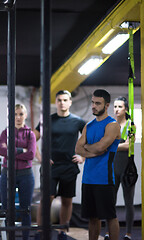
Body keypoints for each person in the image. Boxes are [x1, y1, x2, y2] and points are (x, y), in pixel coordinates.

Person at [34, 90, 86, 240]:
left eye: (65, 100)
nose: (62, 103)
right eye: (59, 100)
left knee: (67, 200)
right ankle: (40, 232)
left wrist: (83, 156)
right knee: (46, 199)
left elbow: (91, 139)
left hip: (69, 166)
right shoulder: (47, 120)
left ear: (70, 102)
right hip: (51, 166)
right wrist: (40, 157)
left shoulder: (78, 121)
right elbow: (32, 138)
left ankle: (62, 231)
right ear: (56, 102)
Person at [75, 89, 121, 240]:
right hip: (88, 179)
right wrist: (91, 151)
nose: (94, 106)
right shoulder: (89, 125)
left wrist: (87, 148)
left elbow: (101, 147)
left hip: (104, 179)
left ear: (107, 105)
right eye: (93, 102)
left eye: (98, 103)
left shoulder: (113, 125)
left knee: (110, 217)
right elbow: (77, 148)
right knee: (92, 218)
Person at [0, 103, 36, 240]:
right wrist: (21, 150)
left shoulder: (30, 134)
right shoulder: (5, 133)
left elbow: (31, 154)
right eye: (15, 114)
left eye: (20, 114)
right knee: (6, 209)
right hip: (7, 174)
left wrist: (11, 151)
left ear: (25, 115)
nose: (18, 117)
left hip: (26, 175)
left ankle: (25, 238)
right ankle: (7, 237)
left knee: (25, 209)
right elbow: (1, 151)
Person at [104, 96, 136, 240]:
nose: (116, 109)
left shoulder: (131, 125)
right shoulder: (111, 125)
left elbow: (129, 145)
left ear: (126, 109)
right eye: (115, 107)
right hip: (112, 168)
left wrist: (112, 146)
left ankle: (128, 233)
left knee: (129, 201)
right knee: (110, 201)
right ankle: (107, 232)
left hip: (127, 169)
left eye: (120, 107)